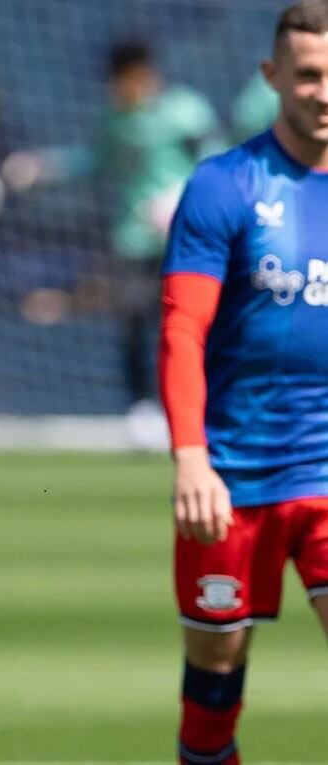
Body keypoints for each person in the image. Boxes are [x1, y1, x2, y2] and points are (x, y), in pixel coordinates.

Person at [159, 3, 328, 763]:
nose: (323, 91)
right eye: (308, 74)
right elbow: (182, 327)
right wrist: (191, 456)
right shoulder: (224, 184)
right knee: (213, 687)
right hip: (232, 475)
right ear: (272, 77)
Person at [4, 40, 225, 432]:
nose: (117, 89)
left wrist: (179, 196)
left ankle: (203, 404)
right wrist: (43, 167)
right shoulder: (116, 118)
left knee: (189, 323)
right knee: (135, 322)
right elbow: (96, 160)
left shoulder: (184, 110)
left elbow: (217, 157)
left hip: (185, 237)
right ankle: (144, 409)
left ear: (140, 73)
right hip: (132, 239)